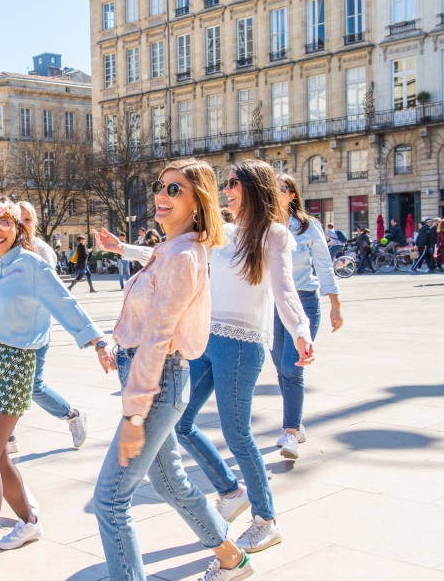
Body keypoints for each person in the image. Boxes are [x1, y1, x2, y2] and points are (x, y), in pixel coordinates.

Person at [93, 159, 257, 581]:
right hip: (149, 376)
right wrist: (121, 249)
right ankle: (231, 557)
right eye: (159, 186)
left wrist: (133, 413)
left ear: (198, 201)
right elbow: (157, 261)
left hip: (156, 382)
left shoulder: (183, 256)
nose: (161, 197)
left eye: (174, 190)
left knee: (110, 499)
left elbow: (159, 336)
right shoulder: (172, 250)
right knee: (170, 483)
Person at [0, 196, 113, 581]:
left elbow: (66, 304)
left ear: (18, 226)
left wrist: (98, 342)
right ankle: (29, 521)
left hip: (15, 363)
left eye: (5, 222)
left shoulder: (33, 265)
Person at [174, 160, 313, 554]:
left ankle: (266, 519)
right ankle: (231, 491)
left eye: (234, 183)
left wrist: (301, 332)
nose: (227, 190)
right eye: (226, 184)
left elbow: (285, 290)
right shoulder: (226, 233)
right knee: (180, 422)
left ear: (254, 188)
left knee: (237, 434)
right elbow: (174, 254)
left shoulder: (274, 234)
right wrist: (123, 248)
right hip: (207, 339)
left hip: (241, 344)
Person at [6, 201, 89, 453]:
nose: (22, 226)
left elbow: (52, 294)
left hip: (35, 329)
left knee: (32, 386)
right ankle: (7, 436)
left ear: (35, 224)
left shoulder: (42, 250)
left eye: (28, 220)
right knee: (5, 383)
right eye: (17, 220)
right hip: (7, 329)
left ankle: (72, 415)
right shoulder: (2, 248)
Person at [273, 174, 343, 460]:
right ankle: (296, 421)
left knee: (292, 367)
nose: (272, 194)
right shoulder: (265, 225)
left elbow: (325, 267)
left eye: (278, 189)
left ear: (291, 194)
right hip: (274, 304)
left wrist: (335, 306)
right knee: (280, 365)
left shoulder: (308, 227)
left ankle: (289, 432)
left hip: (303, 301)